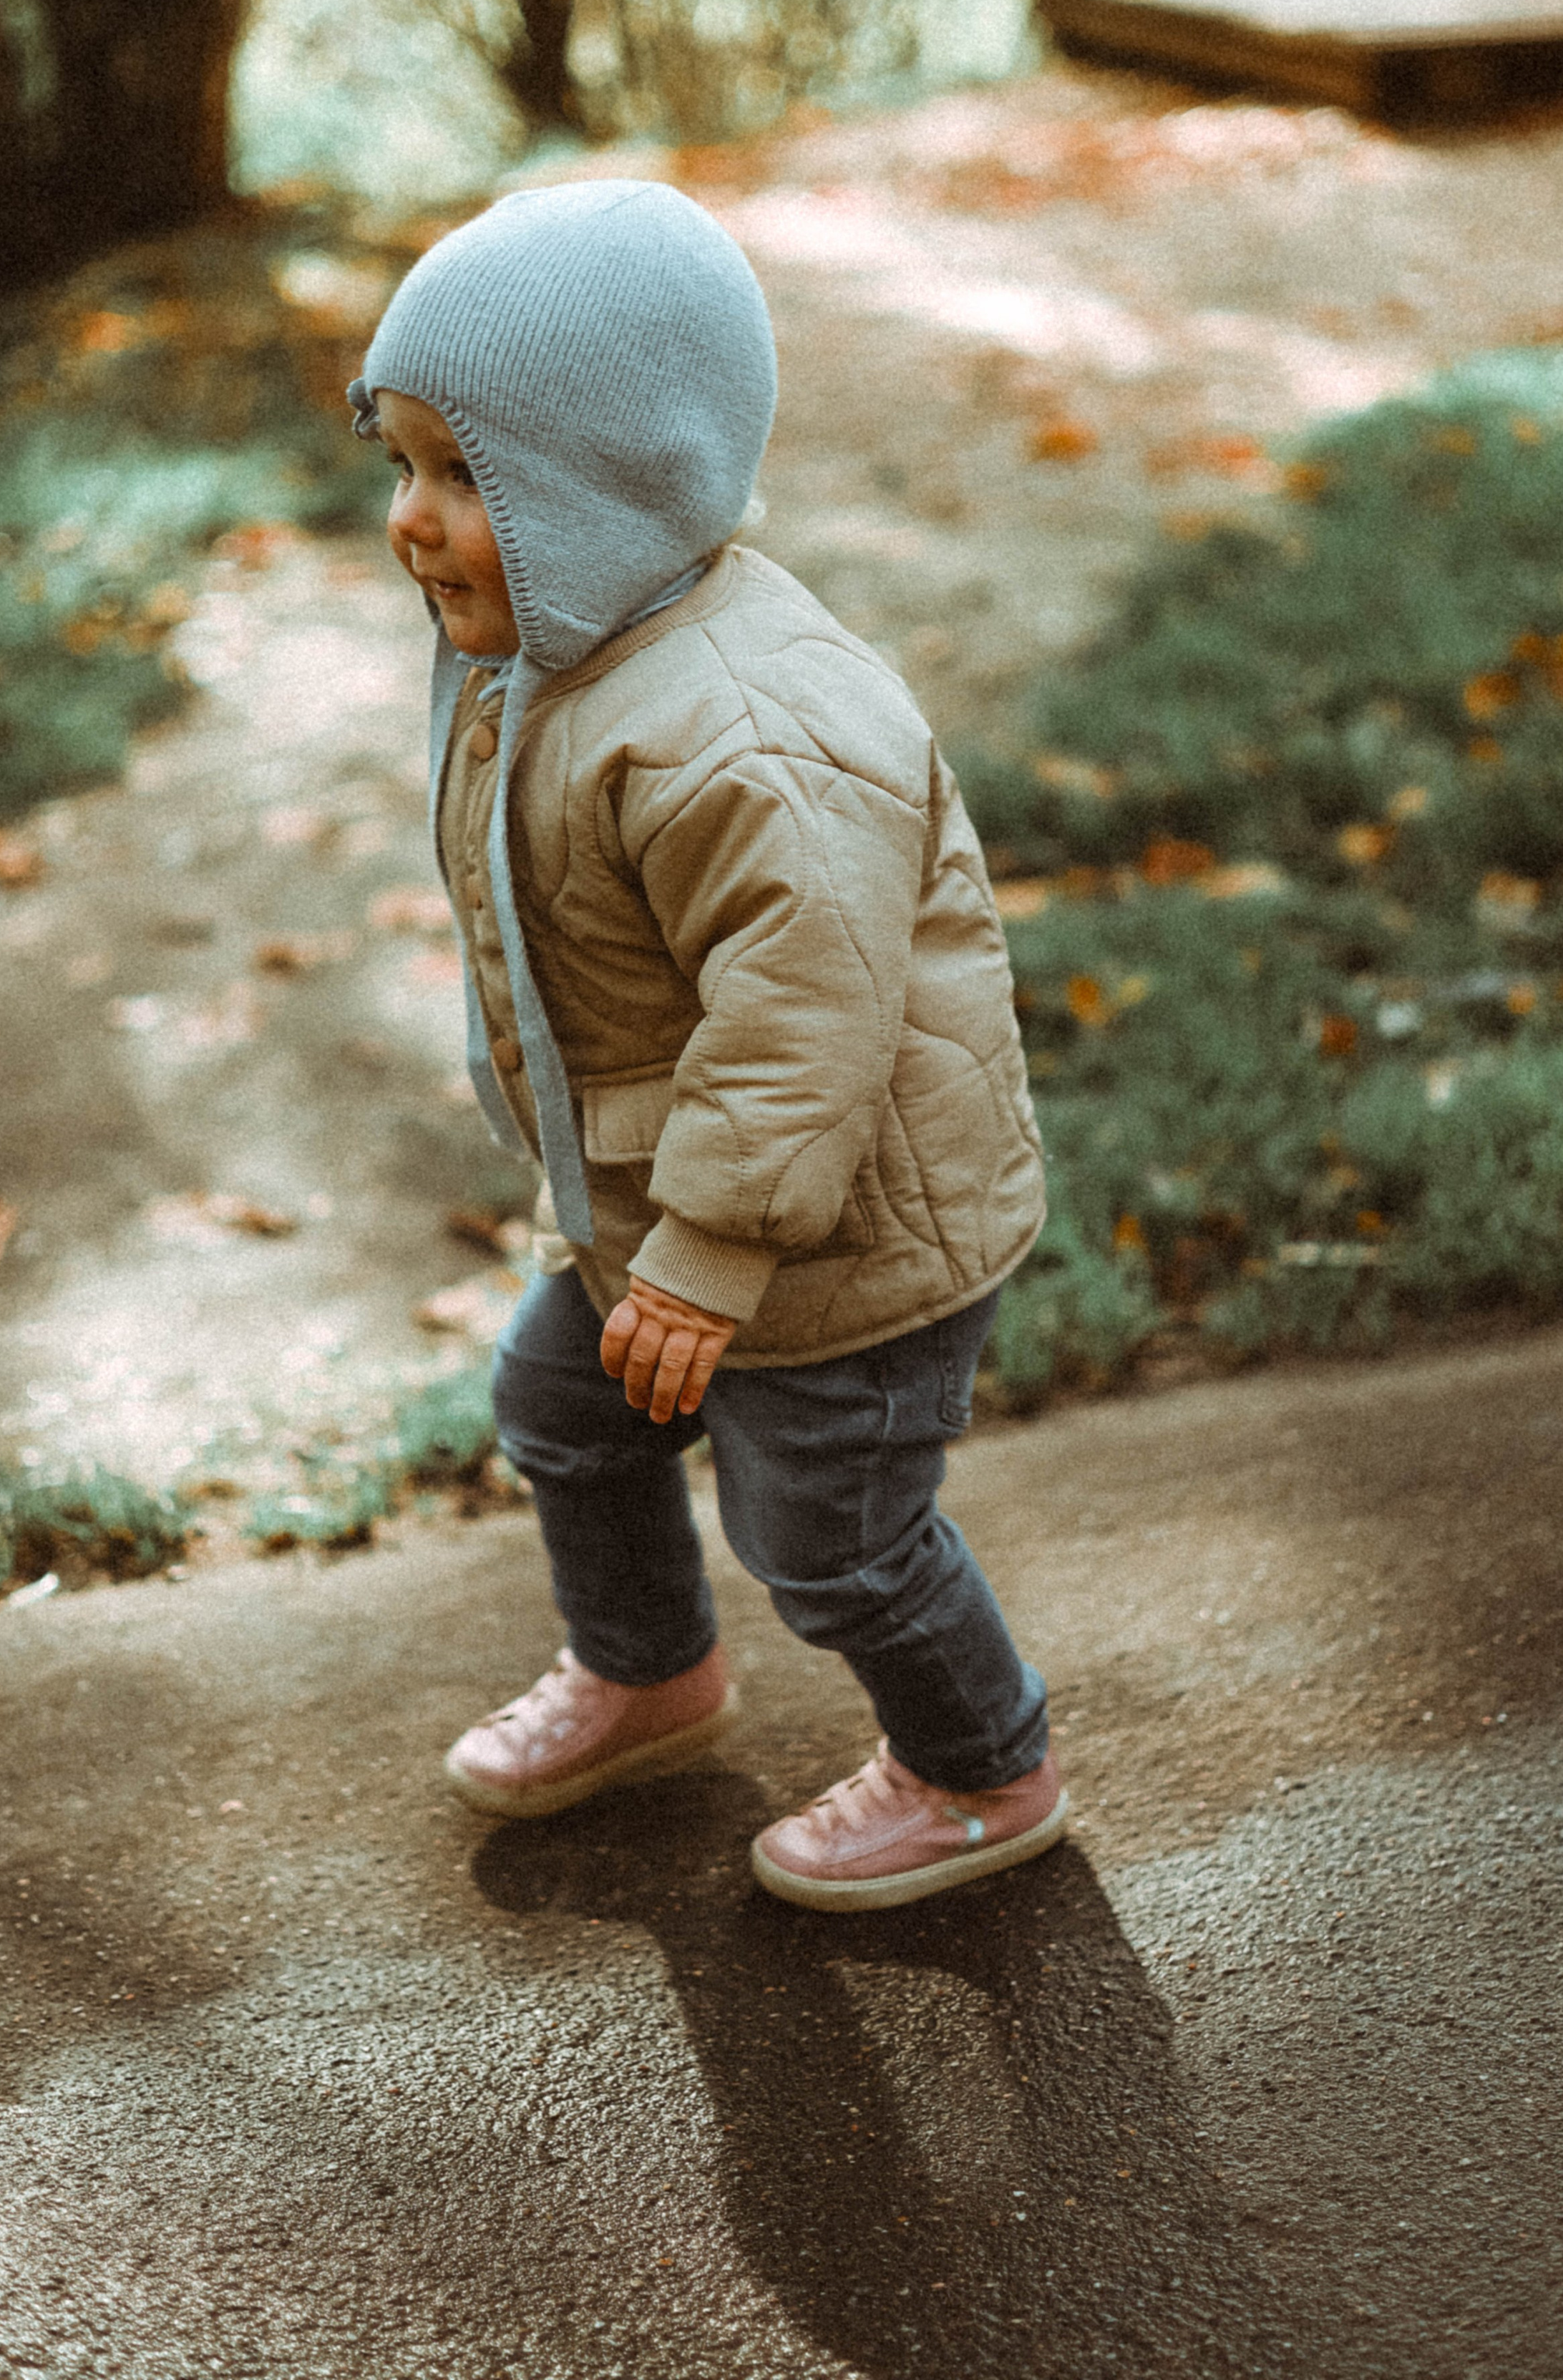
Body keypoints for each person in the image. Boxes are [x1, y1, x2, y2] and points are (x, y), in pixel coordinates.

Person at [349, 178, 1063, 1912]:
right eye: (399, 464)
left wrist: (711, 1249)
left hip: (836, 1236)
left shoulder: (743, 728)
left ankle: (983, 1771)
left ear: (606, 486)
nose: (410, 523)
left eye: (463, 478)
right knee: (557, 1411)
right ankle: (649, 1671)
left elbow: (805, 1014)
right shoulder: (568, 658)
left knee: (831, 1541)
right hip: (657, 1216)